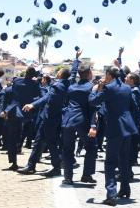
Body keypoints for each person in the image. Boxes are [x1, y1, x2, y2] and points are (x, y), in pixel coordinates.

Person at [89, 67, 138, 206]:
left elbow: (93, 101)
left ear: (109, 75)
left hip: (115, 128)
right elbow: (133, 106)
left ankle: (111, 194)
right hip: (127, 127)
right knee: (124, 159)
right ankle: (125, 189)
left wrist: (96, 89)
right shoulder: (127, 88)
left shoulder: (109, 88)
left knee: (110, 162)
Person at [60, 53, 98, 184]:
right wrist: (93, 125)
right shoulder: (91, 88)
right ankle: (86, 175)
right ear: (89, 74)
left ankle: (68, 177)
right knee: (91, 147)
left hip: (68, 120)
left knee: (67, 149)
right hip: (83, 121)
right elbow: (93, 108)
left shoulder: (71, 86)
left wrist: (76, 59)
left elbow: (72, 74)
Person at [3, 67, 41, 171]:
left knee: (12, 138)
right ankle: (30, 163)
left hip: (15, 111)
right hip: (28, 112)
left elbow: (13, 91)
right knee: (28, 137)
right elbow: (38, 95)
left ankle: (14, 163)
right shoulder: (35, 84)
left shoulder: (17, 81)